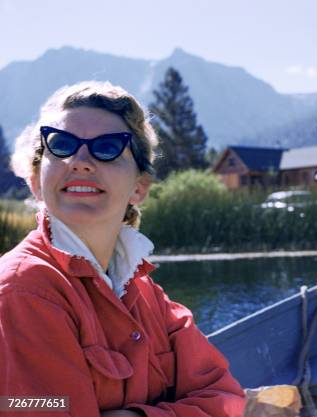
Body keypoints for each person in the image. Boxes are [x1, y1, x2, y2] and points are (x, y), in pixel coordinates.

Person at [0, 81, 246, 417]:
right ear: (34, 181)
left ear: (139, 188)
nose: (80, 161)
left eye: (108, 147)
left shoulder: (145, 291)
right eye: (60, 145)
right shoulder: (24, 290)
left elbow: (224, 396)